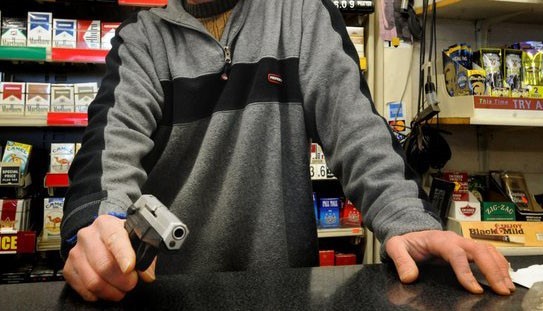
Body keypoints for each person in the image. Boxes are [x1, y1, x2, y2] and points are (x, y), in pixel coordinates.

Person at [60, 0, 515, 302]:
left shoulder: (302, 14)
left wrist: (408, 222)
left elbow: (359, 134)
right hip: (165, 297)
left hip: (286, 294)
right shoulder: (141, 38)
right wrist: (99, 229)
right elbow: (107, 156)